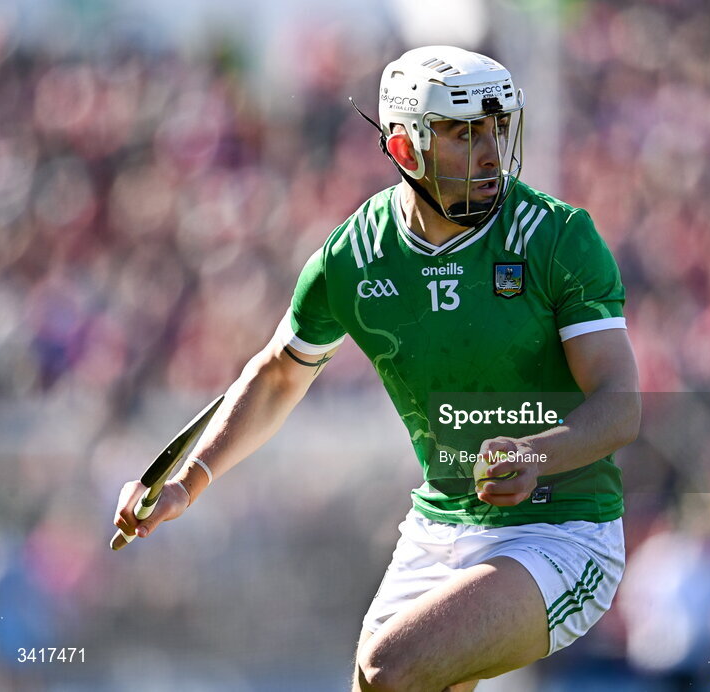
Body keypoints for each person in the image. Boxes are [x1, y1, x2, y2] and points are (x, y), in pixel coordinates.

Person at [114, 45, 640, 691]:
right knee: (379, 681)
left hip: (564, 530)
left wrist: (536, 452)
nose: (488, 151)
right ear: (404, 149)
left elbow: (620, 403)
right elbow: (280, 373)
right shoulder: (354, 257)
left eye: (496, 127)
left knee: (392, 667)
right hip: (441, 523)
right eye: (462, 132)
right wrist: (186, 484)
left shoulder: (557, 238)